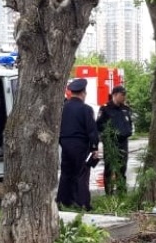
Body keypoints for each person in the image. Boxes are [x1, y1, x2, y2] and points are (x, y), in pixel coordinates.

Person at [57, 78, 99, 211]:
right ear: (83, 93)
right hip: (81, 145)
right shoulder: (86, 109)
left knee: (66, 173)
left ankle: (63, 200)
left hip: (65, 144)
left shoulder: (63, 108)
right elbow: (92, 130)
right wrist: (94, 148)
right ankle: (83, 203)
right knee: (82, 174)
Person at [96, 84, 134, 195]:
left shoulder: (125, 109)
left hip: (123, 142)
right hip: (111, 143)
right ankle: (109, 193)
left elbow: (129, 123)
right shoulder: (105, 108)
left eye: (125, 95)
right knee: (109, 168)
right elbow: (98, 125)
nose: (124, 97)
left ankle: (122, 192)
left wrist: (128, 131)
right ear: (115, 95)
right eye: (122, 95)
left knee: (122, 168)